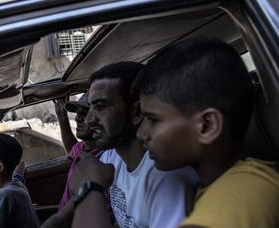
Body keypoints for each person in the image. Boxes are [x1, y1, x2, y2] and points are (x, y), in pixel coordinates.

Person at [133, 36, 279, 227]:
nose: (141, 133)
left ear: (207, 126)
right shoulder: (212, 186)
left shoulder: (243, 192)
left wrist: (90, 188)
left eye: (153, 120)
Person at [72, 62, 198, 228]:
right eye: (90, 108)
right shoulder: (111, 158)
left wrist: (89, 188)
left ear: (136, 111)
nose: (89, 120)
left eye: (101, 107)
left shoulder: (165, 175)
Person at [41, 94, 105, 228]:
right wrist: (61, 115)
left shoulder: (106, 159)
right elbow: (71, 146)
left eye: (84, 113)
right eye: (77, 113)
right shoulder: (83, 147)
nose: (76, 118)